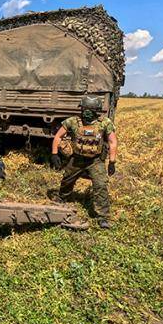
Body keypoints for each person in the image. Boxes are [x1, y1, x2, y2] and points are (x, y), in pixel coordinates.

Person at [51, 96, 118, 228]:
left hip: (95, 161)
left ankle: (102, 216)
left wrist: (112, 162)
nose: (87, 112)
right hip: (77, 159)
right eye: (85, 109)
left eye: (91, 110)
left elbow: (112, 141)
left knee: (100, 185)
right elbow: (58, 136)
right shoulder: (73, 121)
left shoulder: (105, 123)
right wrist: (54, 154)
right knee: (67, 179)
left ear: (97, 111)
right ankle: (62, 198)